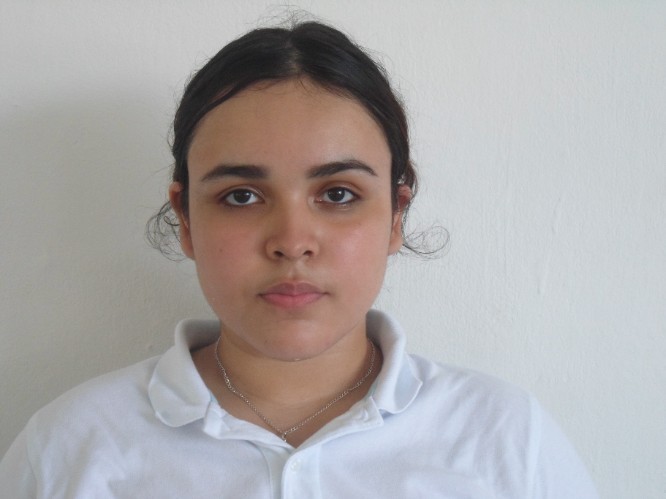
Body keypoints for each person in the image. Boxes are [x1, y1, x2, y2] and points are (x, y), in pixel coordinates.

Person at [0, 20, 598, 498]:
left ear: (396, 216)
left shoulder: (507, 439)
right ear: (186, 220)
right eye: (241, 196)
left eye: (337, 194)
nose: (292, 241)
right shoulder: (68, 448)